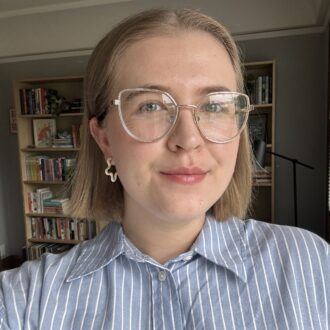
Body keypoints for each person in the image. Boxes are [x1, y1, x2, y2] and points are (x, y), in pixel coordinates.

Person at [0, 8, 329, 330]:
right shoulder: (28, 299)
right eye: (151, 106)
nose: (188, 139)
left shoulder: (312, 263)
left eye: (214, 105)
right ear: (104, 139)